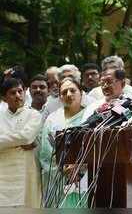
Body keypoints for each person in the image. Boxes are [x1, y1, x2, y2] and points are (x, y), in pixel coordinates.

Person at [39, 77, 95, 208]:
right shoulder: (53, 120)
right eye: (64, 92)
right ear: (60, 97)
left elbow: (97, 147)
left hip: (88, 180)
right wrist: (63, 168)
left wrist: (80, 167)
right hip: (60, 181)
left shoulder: (91, 116)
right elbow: (46, 153)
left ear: (81, 93)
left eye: (72, 90)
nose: (68, 94)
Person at [0, 78, 42, 207]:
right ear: (4, 98)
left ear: (25, 92)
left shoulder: (34, 115)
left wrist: (6, 141)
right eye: (13, 93)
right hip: (3, 175)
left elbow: (26, 137)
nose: (18, 96)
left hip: (26, 172)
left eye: (20, 91)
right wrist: (17, 141)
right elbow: (22, 139)